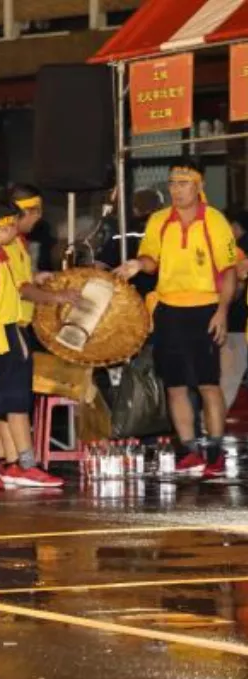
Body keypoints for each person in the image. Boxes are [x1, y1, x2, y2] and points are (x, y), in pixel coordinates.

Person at [115, 158, 238, 478]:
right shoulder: (158, 220)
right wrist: (138, 266)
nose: (176, 190)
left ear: (199, 186)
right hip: (169, 310)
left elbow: (229, 272)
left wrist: (222, 312)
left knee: (208, 384)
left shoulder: (214, 220)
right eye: (172, 184)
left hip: (206, 309)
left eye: (183, 183)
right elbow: (151, 261)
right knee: (175, 386)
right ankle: (191, 450)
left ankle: (214, 452)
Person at [0, 194, 75, 491]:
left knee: (17, 403)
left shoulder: (2, 256)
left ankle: (26, 465)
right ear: (5, 226)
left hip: (10, 333)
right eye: (13, 225)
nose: (17, 231)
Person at [222, 209, 248, 410]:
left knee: (227, 378)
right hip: (236, 325)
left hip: (233, 326)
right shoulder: (236, 252)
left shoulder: (237, 252)